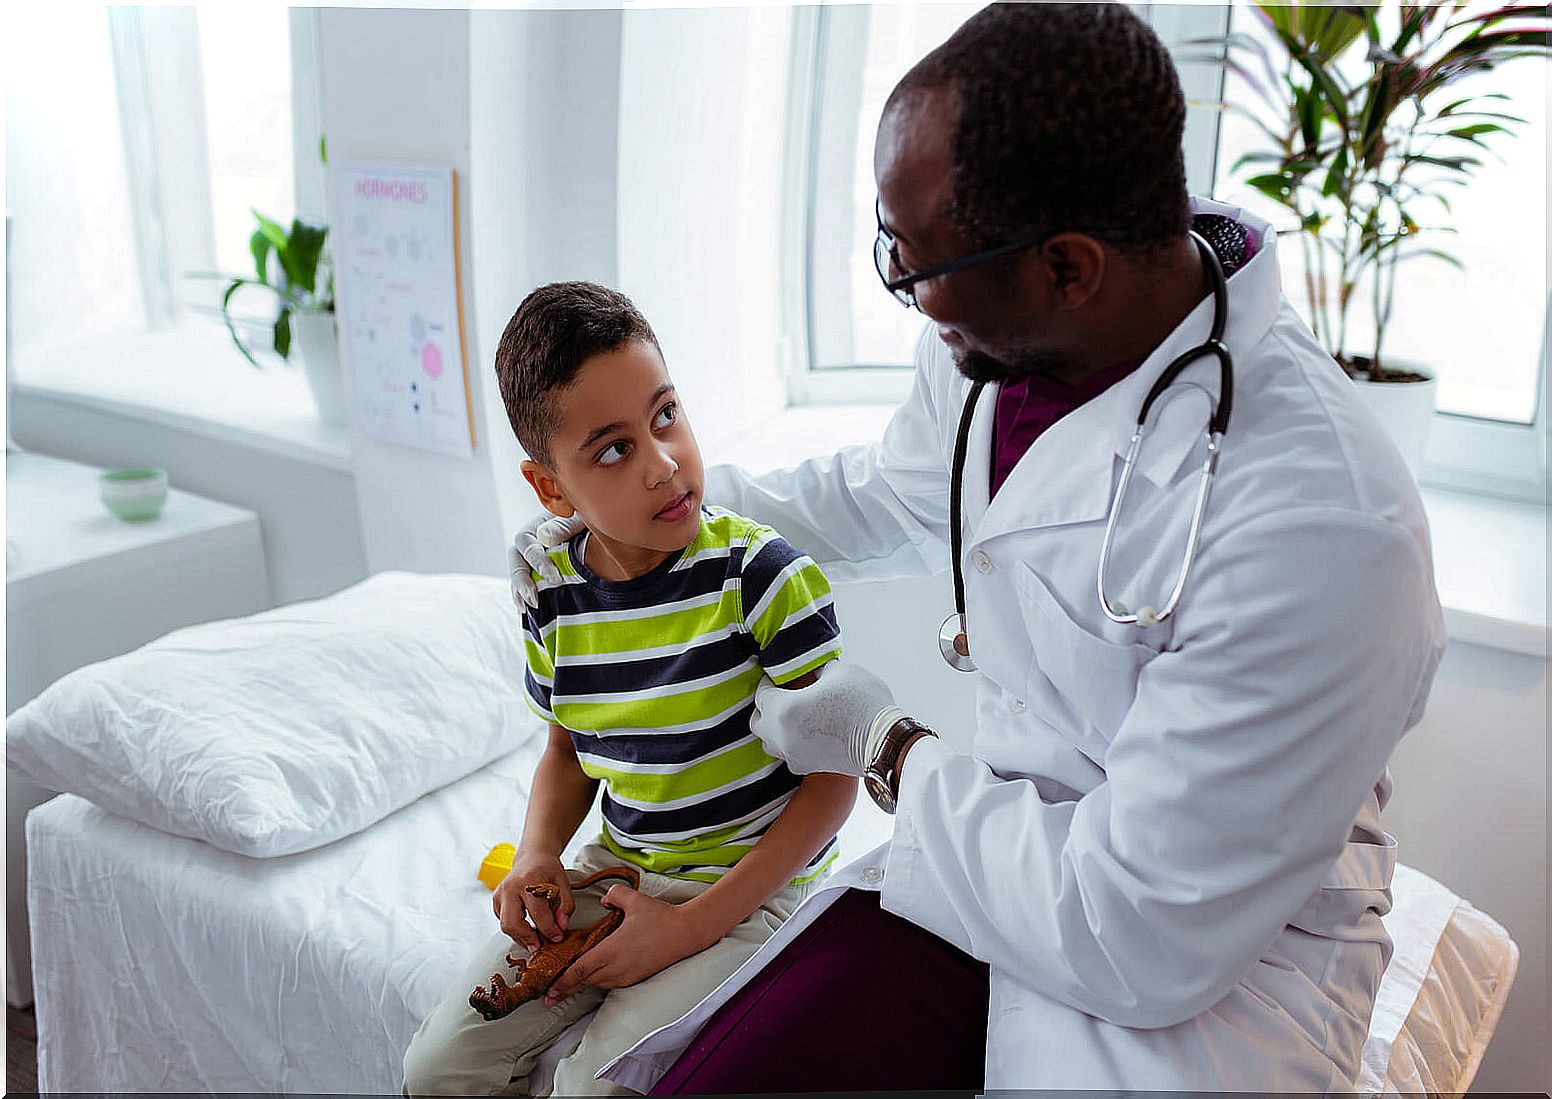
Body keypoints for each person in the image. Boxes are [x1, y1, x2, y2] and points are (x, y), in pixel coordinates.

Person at [509, 3, 1447, 1093]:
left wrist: (884, 745)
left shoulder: (1325, 525)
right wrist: (641, 517)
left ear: (1066, 266)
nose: (907, 292)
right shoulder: (993, 351)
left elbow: (1135, 930)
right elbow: (879, 491)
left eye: (920, 265)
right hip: (990, 856)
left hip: (1208, 968)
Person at [403, 282, 856, 1096]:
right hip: (616, 867)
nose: (663, 463)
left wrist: (686, 927)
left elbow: (834, 784)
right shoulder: (551, 594)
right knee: (438, 1067)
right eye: (613, 449)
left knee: (595, 1086)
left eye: (666, 415)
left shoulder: (764, 577)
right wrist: (539, 852)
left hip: (747, 890)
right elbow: (566, 747)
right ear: (550, 488)